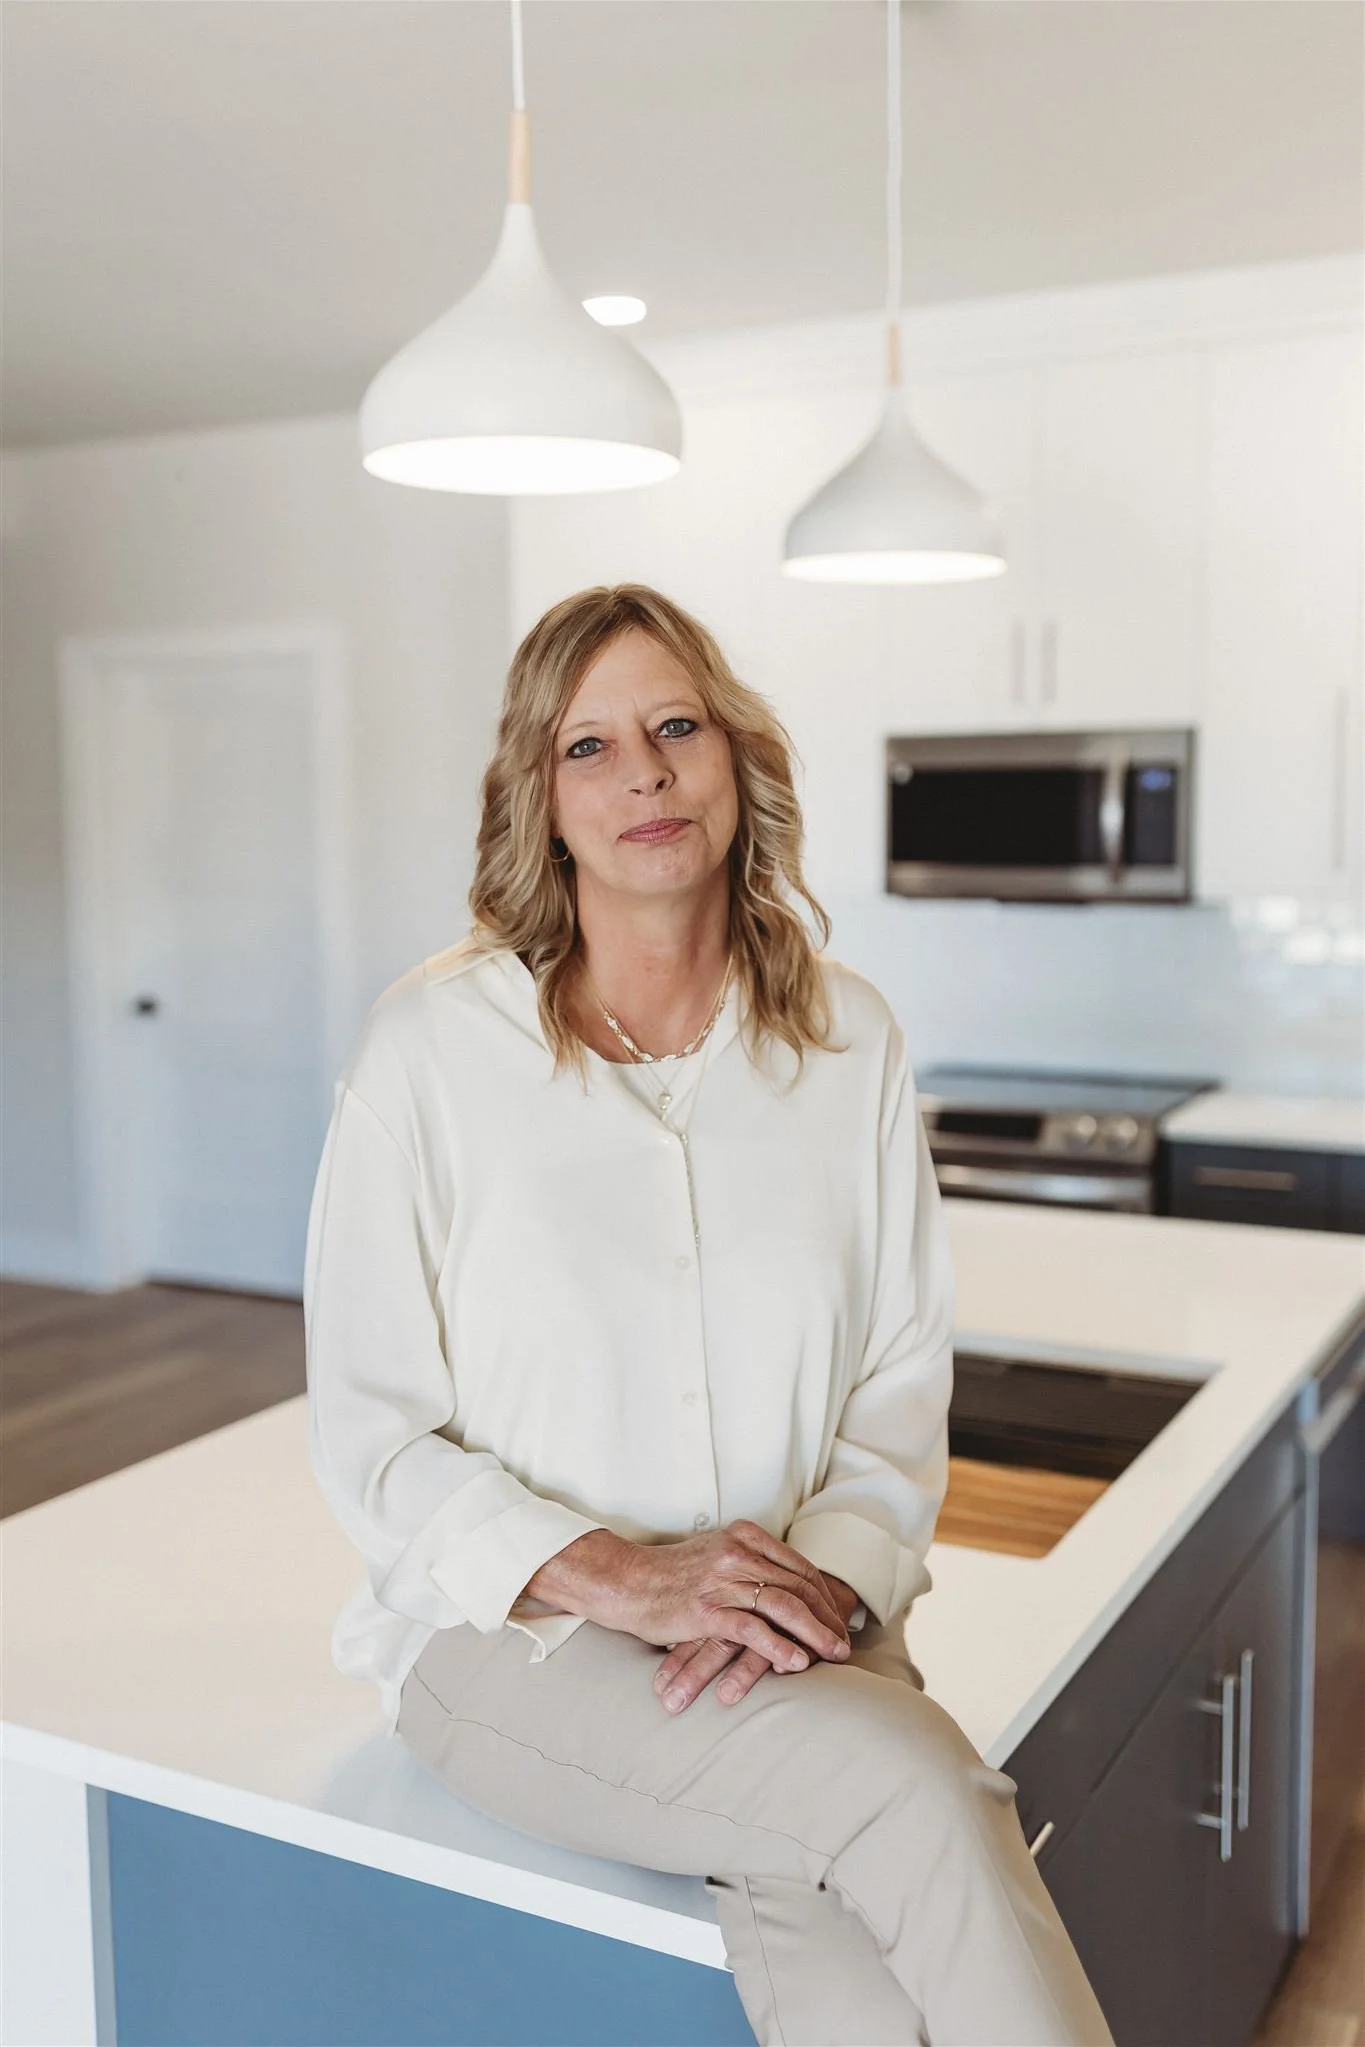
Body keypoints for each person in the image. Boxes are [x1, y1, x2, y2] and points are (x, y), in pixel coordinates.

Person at [303, 583, 1115, 2047]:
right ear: (540, 803)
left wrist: (815, 1583)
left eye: (676, 727)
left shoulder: (847, 1037)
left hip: (802, 1623)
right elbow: (371, 1436)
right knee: (922, 1791)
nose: (647, 774)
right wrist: (623, 1576)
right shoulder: (429, 1051)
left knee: (867, 1997)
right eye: (590, 747)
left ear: (735, 762)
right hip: (515, 1645)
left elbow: (899, 1371)